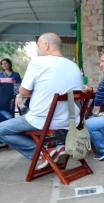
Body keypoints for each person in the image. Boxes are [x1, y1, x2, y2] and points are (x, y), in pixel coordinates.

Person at [0, 33, 83, 168]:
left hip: (43, 119)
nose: (38, 50)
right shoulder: (73, 65)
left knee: (2, 130)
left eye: (38, 46)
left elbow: (23, 91)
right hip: (70, 120)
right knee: (15, 126)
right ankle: (55, 147)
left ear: (46, 45)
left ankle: (43, 152)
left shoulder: (38, 62)